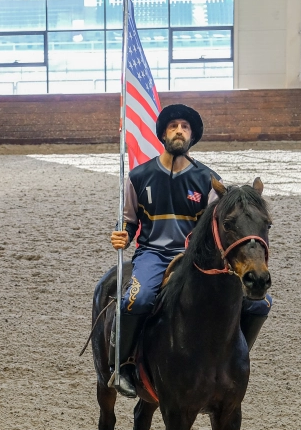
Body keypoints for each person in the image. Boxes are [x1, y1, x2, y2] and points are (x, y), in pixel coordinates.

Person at [105, 105, 272, 398]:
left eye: (185, 126)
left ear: (192, 136)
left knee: (260, 303)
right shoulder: (138, 176)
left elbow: (218, 228)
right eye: (173, 126)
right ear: (163, 134)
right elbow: (130, 221)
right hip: (152, 255)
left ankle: (236, 358)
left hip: (194, 257)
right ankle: (123, 366)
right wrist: (123, 235)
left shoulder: (208, 180)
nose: (179, 130)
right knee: (137, 299)